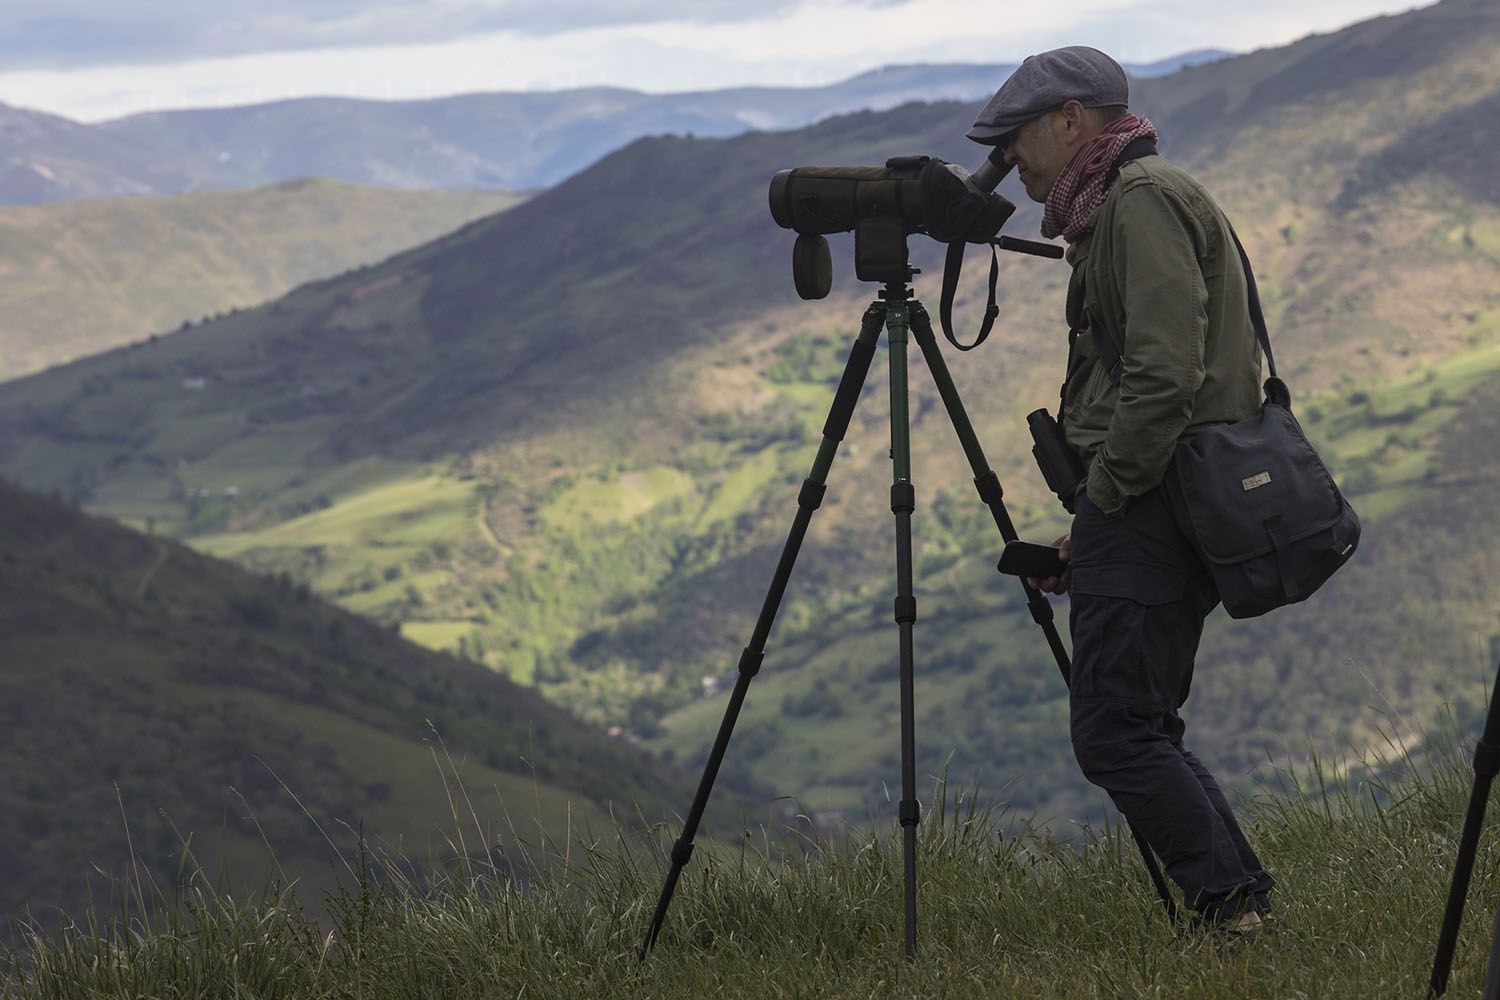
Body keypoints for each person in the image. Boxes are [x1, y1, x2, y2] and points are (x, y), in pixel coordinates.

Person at [968, 46, 1274, 931]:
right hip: (1152, 497)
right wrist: (1092, 527)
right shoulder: (1122, 206)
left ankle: (1230, 911)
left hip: (1151, 497)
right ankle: (1237, 901)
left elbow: (1163, 376)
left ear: (1071, 121)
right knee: (1141, 722)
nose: (1010, 158)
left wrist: (1105, 504)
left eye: (1018, 136)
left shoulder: (1139, 204)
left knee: (1114, 731)